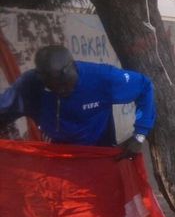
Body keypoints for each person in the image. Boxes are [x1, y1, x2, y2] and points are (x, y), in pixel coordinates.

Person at [0, 45, 156, 159]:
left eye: (67, 83)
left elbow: (145, 87)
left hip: (98, 155)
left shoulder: (102, 78)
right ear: (41, 79)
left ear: (73, 68)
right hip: (56, 157)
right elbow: (4, 110)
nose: (62, 90)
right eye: (54, 87)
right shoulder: (29, 86)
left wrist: (140, 135)